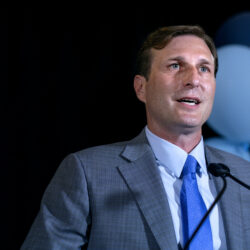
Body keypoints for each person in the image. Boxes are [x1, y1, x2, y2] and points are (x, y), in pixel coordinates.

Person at [21, 25, 250, 250]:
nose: (193, 80)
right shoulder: (87, 173)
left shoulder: (243, 177)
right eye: (175, 65)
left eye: (204, 69)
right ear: (141, 88)